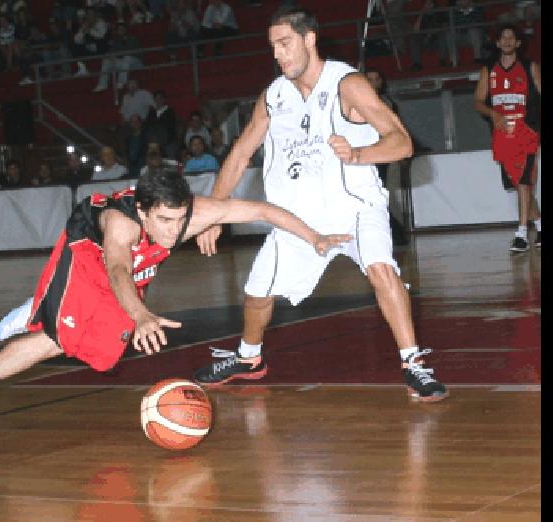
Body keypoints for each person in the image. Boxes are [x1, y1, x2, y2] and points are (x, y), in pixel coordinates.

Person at [0, 169, 352, 439]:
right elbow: (117, 272)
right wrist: (142, 314)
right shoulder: (122, 225)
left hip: (123, 272)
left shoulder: (194, 213)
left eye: (180, 219)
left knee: (105, 353)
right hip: (89, 252)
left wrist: (313, 237)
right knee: (60, 340)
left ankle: (45, 307)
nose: (174, 231)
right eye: (163, 222)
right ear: (144, 212)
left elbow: (263, 209)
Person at [192, 7, 448, 403]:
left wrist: (358, 154)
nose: (278, 54)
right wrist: (213, 212)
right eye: (273, 47)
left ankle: (413, 363)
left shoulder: (348, 84)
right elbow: (241, 152)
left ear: (309, 39)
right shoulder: (274, 97)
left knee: (382, 269)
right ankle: (248, 358)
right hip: (299, 220)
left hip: (356, 207)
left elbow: (402, 143)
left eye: (285, 44)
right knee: (257, 292)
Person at [473, 24, 541, 252]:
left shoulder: (530, 67)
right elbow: (478, 102)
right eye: (504, 37)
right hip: (503, 135)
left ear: (518, 43)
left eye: (512, 37)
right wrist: (493, 113)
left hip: (527, 132)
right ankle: (539, 226)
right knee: (518, 183)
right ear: (498, 43)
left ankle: (521, 234)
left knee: (524, 181)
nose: (508, 40)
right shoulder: (488, 69)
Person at [365, 68, 408, 246]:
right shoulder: (358, 100)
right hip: (365, 153)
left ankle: (396, 234)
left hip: (380, 154)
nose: (374, 83)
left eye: (376, 79)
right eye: (370, 79)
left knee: (376, 196)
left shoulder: (384, 102)